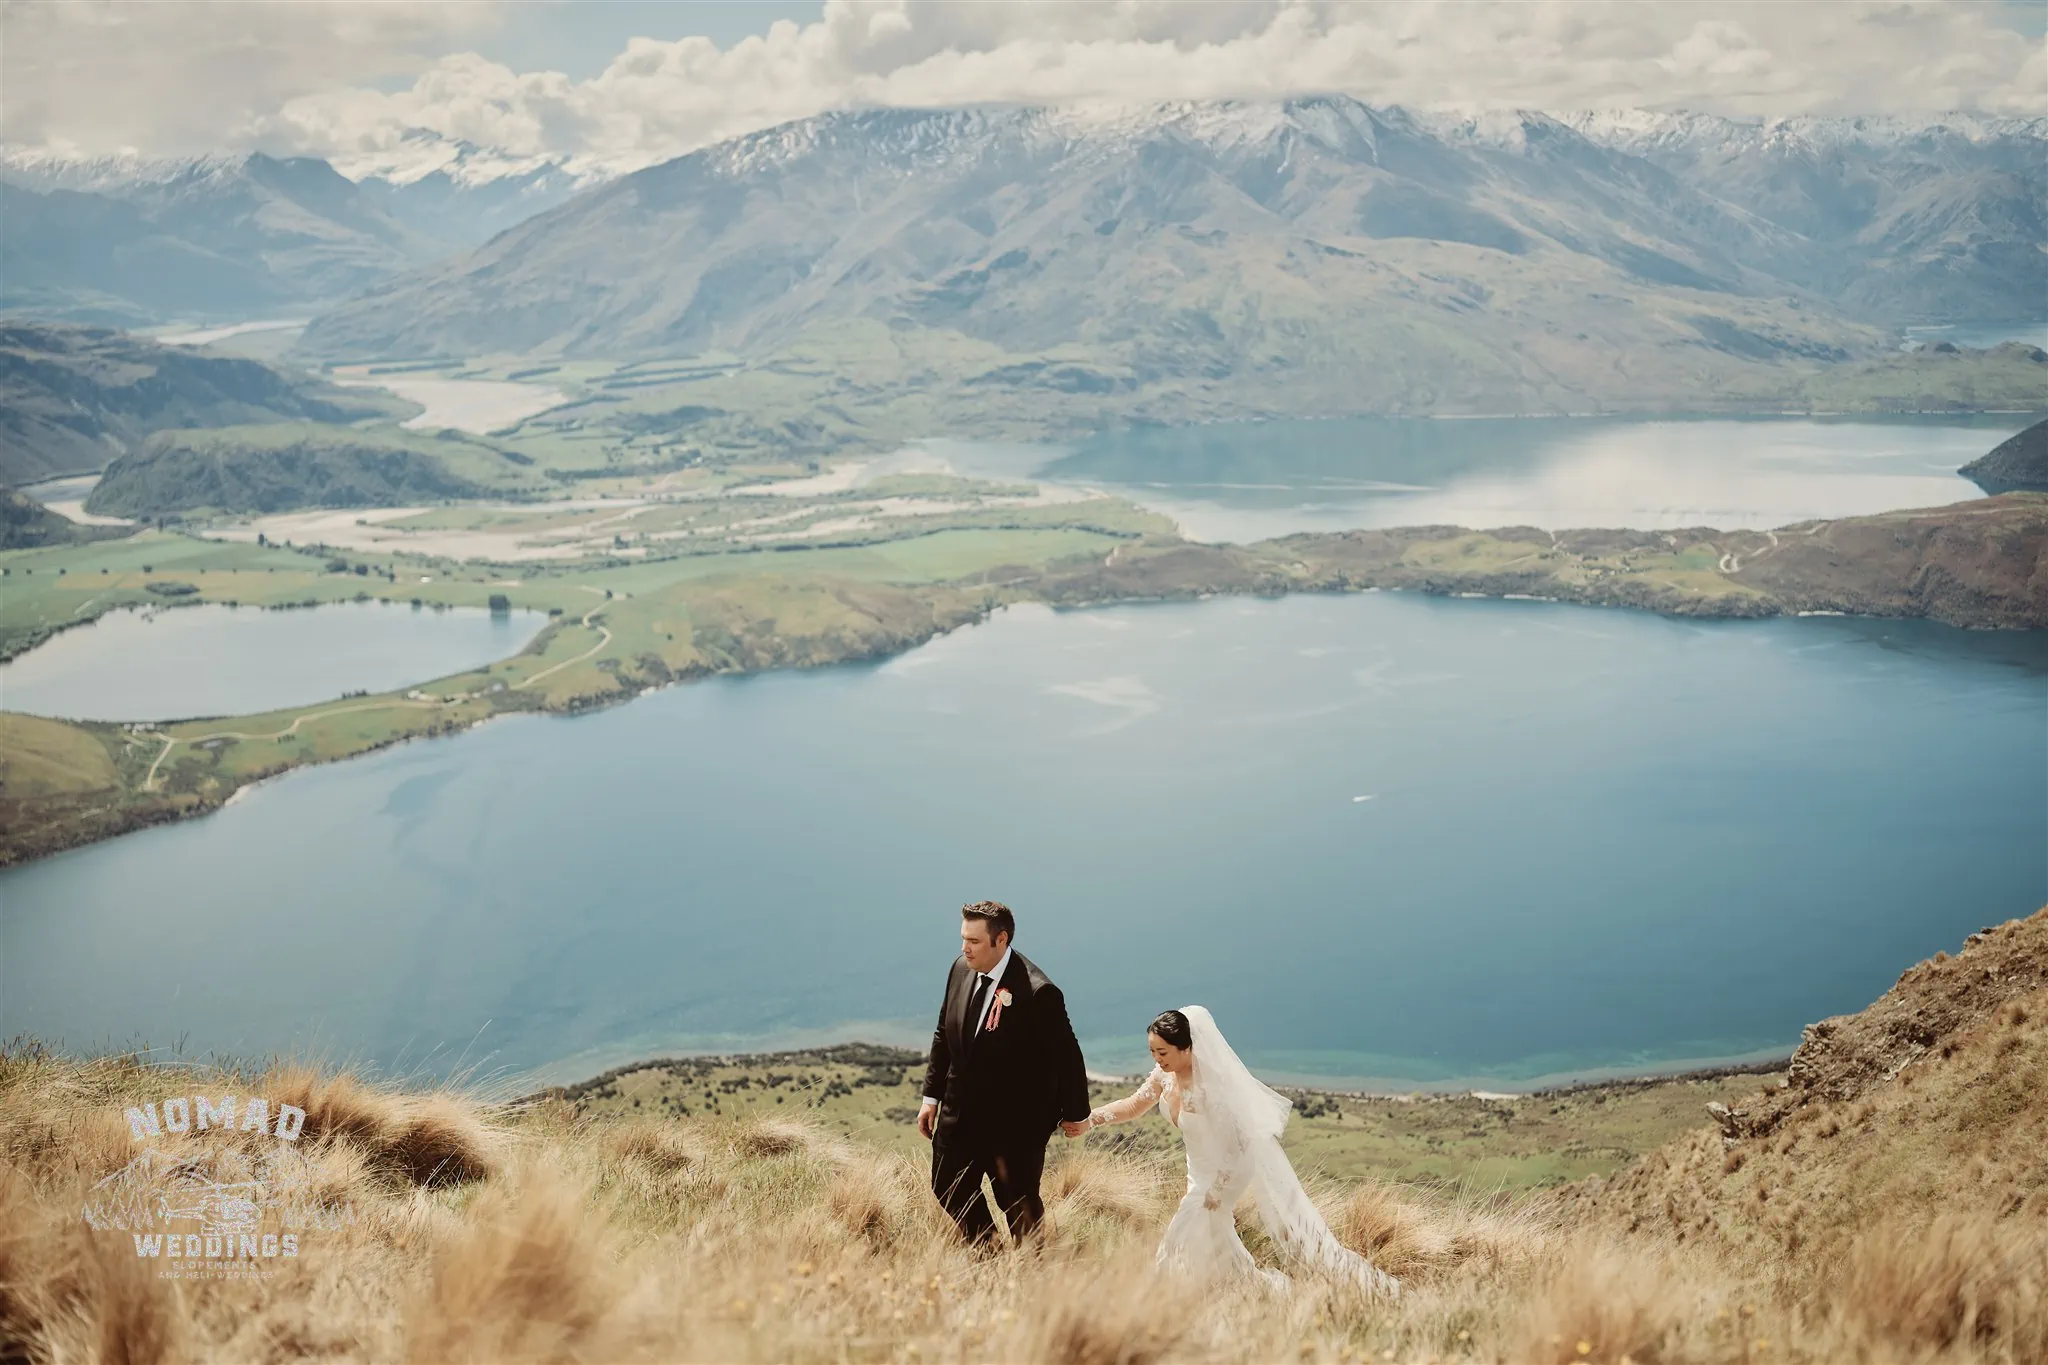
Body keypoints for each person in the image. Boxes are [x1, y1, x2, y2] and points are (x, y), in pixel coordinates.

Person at [1084, 1006, 1400, 1295]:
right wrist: (1091, 1120)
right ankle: (1255, 1290)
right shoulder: (1164, 1075)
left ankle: (1171, 1293)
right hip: (1198, 1170)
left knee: (1183, 1234)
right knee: (1215, 1238)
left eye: (1163, 1051)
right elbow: (1134, 1105)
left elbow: (1240, 1146)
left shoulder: (1212, 1089)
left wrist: (1217, 1192)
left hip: (1227, 1171)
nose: (1157, 1059)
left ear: (1187, 1047)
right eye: (1152, 1051)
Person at [916, 900, 1093, 1247]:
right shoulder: (959, 969)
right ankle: (988, 1253)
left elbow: (1067, 1057)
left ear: (1001, 940)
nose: (965, 948)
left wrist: (1076, 1114)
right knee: (946, 1184)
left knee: (1018, 1205)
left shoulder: (1039, 992)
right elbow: (944, 1032)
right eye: (963, 939)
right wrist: (931, 1097)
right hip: (959, 1115)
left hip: (1014, 1127)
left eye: (974, 941)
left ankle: (1038, 1275)